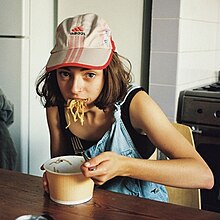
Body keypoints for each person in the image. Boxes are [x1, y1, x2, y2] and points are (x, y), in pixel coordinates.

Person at [36, 13, 214, 202]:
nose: (74, 89)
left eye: (89, 75)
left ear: (108, 73)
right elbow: (62, 165)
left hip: (144, 210)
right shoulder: (56, 107)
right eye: (65, 74)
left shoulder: (136, 104)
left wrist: (124, 166)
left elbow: (203, 175)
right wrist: (55, 178)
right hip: (89, 207)